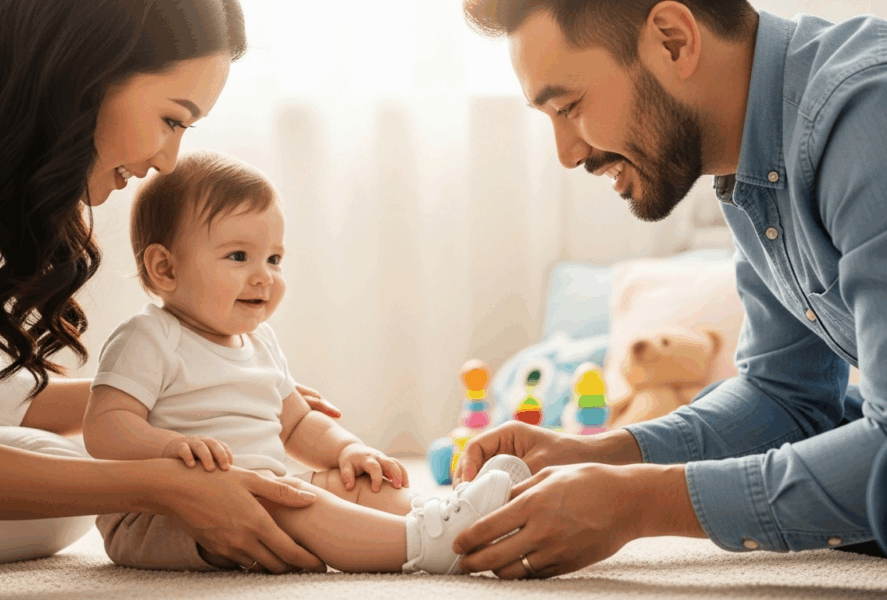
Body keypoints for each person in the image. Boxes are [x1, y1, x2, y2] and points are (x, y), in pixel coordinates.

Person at [0, 1, 342, 597]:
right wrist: (159, 486)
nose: (166, 161)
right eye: (173, 120)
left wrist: (186, 390)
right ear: (87, 72)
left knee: (68, 493)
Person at [451, 0, 887, 579]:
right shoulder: (751, 166)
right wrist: (601, 454)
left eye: (570, 107)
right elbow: (787, 398)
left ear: (673, 40)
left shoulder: (865, 117)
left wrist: (636, 503)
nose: (567, 153)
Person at [83, 149, 526, 574]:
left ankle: (455, 518)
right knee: (292, 499)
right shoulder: (148, 337)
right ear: (165, 269)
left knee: (356, 484)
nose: (264, 276)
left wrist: (348, 449)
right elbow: (104, 427)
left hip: (258, 489)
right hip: (163, 514)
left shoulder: (259, 341)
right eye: (239, 256)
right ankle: (422, 546)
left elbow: (295, 423)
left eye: (274, 259)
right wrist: (167, 448)